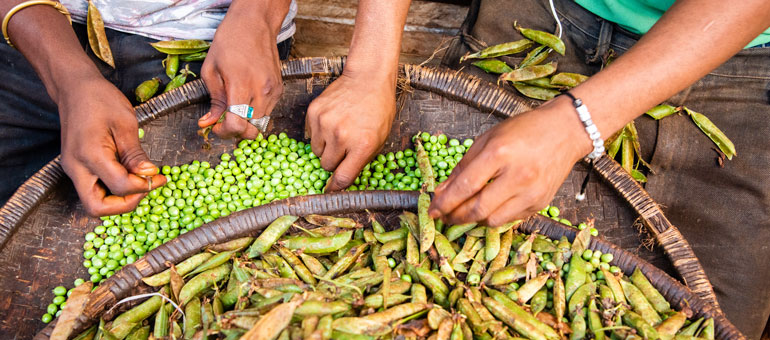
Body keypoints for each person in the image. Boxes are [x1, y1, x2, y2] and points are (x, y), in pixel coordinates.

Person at [432, 0, 770, 337]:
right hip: (548, 13)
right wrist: (376, 68)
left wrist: (574, 124)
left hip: (733, 41)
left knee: (710, 320)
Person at [0, 0, 410, 215]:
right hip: (32, 35)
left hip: (225, 41)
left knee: (238, 135)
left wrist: (260, 13)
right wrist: (70, 79)